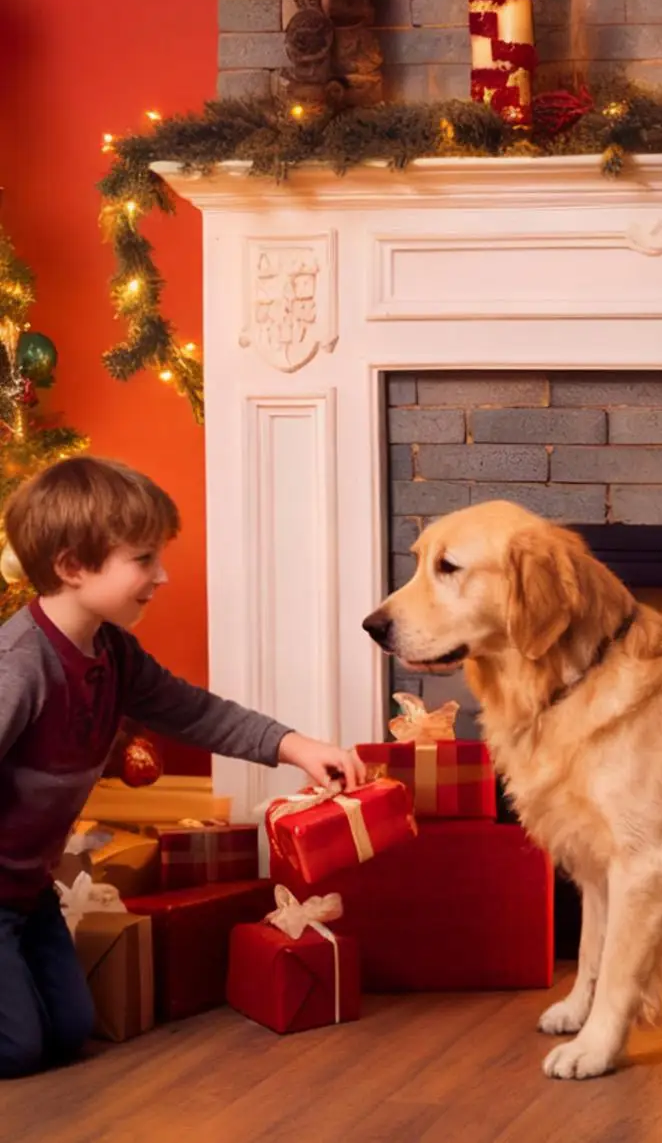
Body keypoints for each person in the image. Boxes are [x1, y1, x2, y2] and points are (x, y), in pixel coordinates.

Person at [0, 457, 367, 1078]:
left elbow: (194, 712)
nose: (162, 576)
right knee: (18, 1051)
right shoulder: (19, 666)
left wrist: (297, 745)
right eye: (143, 560)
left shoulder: (113, 651)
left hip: (28, 895)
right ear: (71, 566)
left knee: (69, 1033)